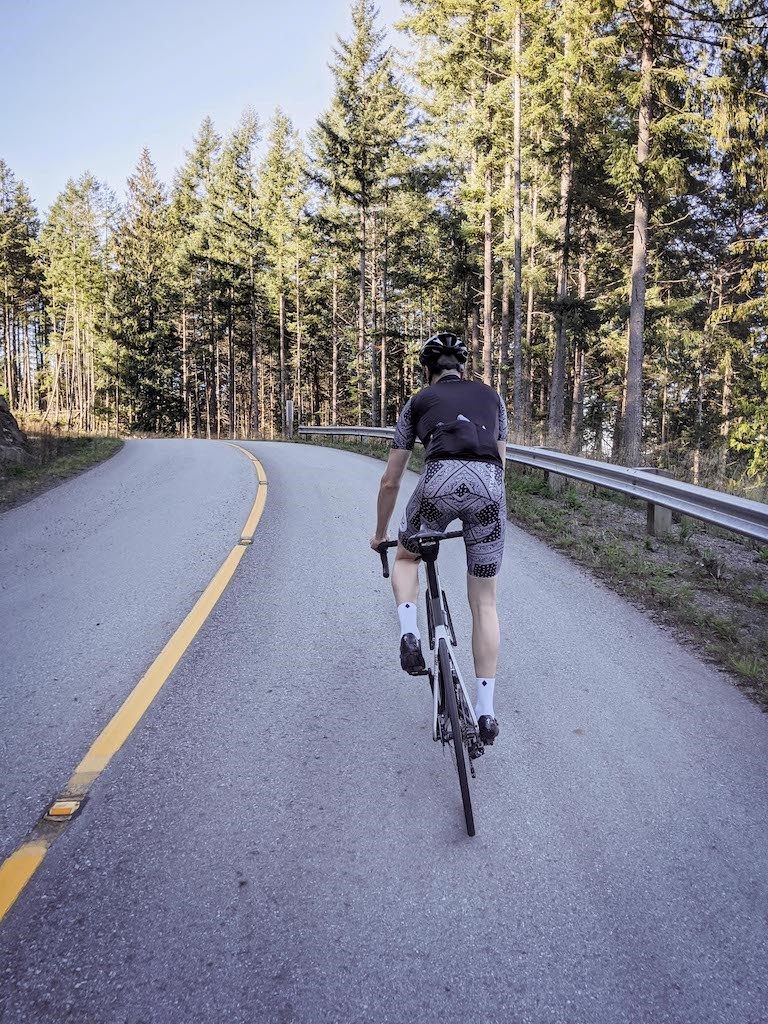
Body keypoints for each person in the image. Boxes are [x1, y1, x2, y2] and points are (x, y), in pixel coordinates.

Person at [369, 332, 508, 746]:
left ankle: (409, 632)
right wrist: (494, 515)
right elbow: (500, 463)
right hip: (490, 489)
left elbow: (391, 479)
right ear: (463, 368)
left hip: (439, 481)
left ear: (428, 371)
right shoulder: (493, 399)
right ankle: (486, 711)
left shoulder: (417, 403)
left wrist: (380, 534)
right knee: (484, 601)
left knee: (408, 558)